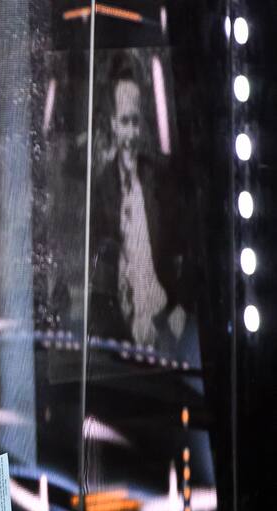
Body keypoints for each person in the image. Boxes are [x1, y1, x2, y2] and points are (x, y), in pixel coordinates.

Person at [89, 64, 189, 353]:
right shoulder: (102, 186)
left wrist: (180, 305)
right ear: (113, 124)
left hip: (165, 314)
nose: (131, 133)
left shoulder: (158, 177)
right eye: (124, 122)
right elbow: (100, 264)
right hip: (124, 322)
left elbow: (185, 246)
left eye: (136, 122)